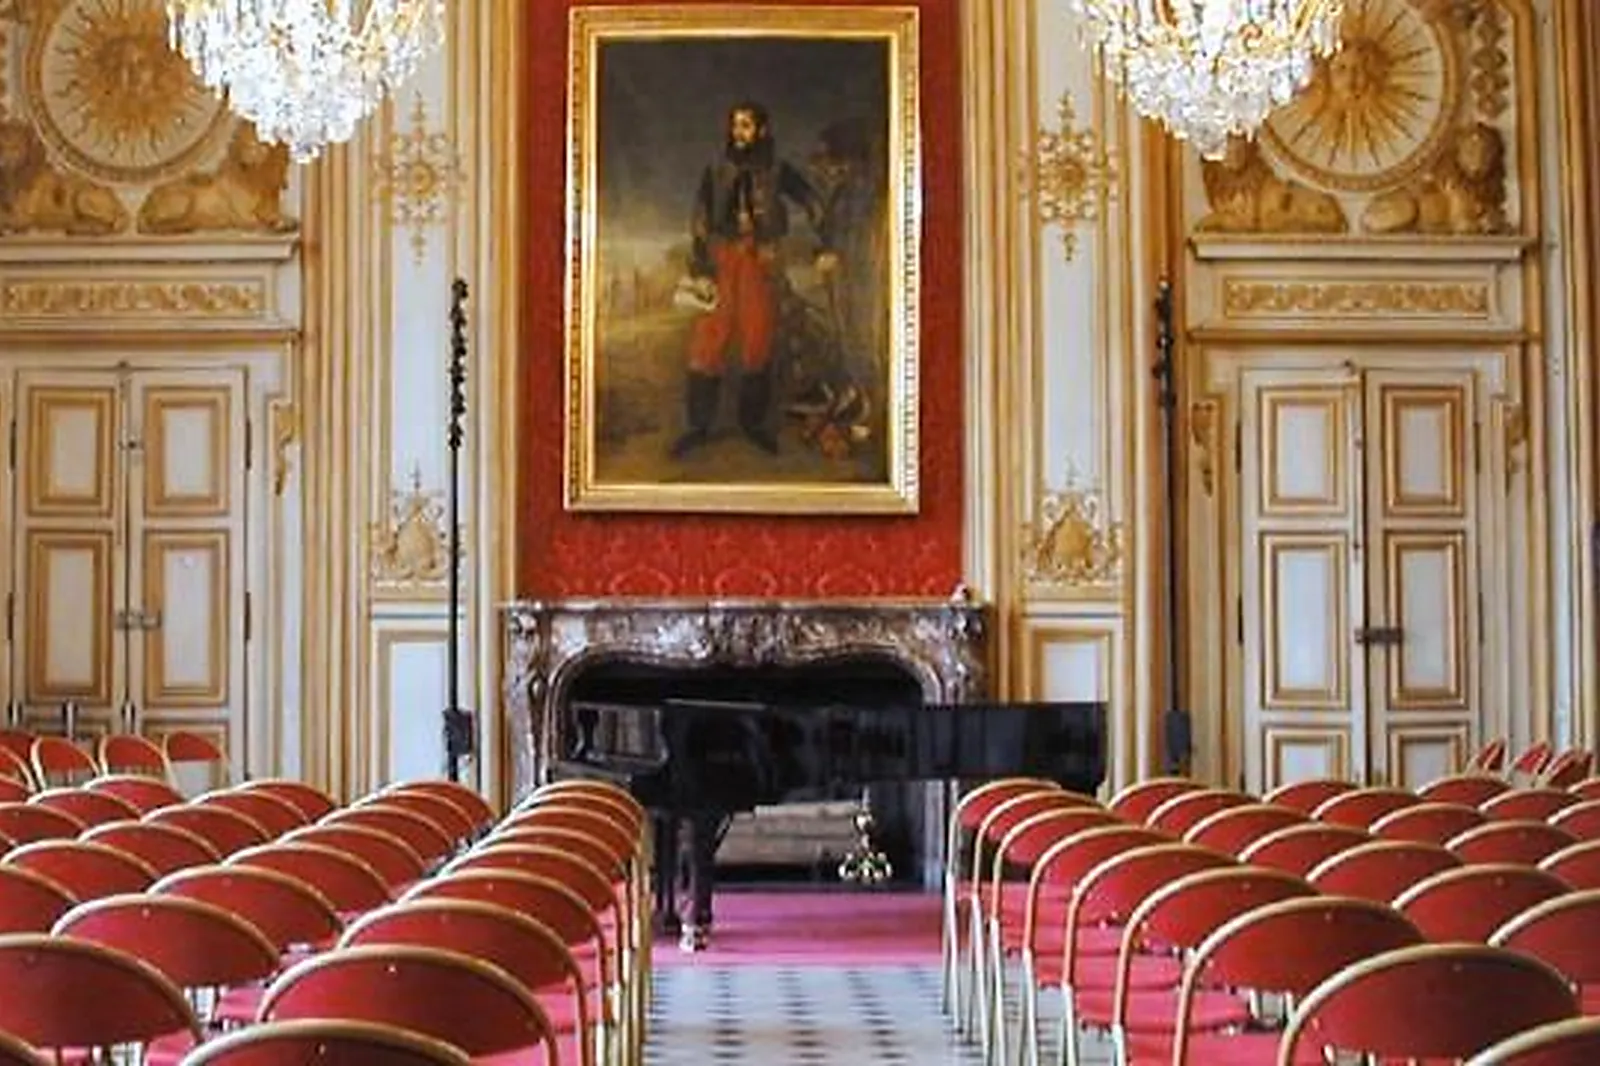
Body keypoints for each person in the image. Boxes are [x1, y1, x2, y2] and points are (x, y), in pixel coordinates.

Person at [671, 101, 837, 458]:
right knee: (707, 341)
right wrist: (701, 268)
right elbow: (700, 220)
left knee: (758, 338)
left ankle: (753, 425)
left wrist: (826, 243)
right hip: (721, 259)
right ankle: (698, 427)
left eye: (746, 125)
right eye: (735, 125)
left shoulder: (778, 169)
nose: (738, 132)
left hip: (760, 260)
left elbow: (812, 202)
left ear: (762, 130)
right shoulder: (715, 171)